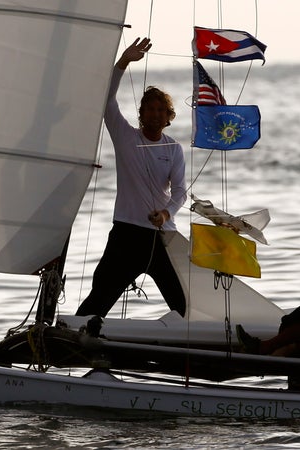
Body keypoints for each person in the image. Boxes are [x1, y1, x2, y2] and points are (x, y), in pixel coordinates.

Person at [75, 37, 187, 318]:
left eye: (161, 110)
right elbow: (106, 99)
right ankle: (71, 334)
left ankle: (186, 347)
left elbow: (181, 192)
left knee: (182, 302)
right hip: (126, 233)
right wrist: (123, 63)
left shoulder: (173, 148)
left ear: (169, 117)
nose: (155, 114)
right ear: (141, 114)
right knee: (99, 298)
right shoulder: (126, 137)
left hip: (161, 236)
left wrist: (166, 214)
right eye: (150, 108)